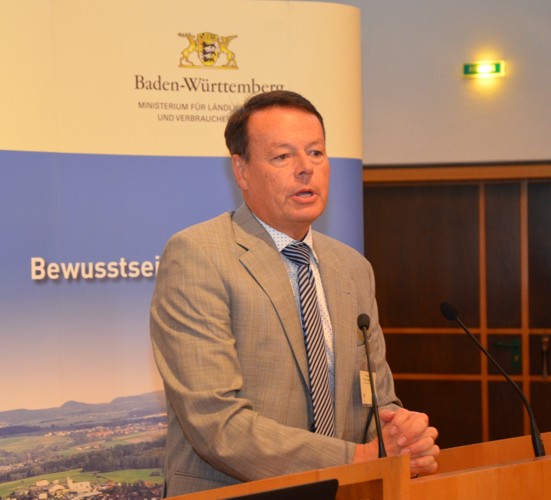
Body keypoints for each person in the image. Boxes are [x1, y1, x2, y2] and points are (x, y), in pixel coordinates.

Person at [150, 90, 439, 496]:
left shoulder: (352, 267)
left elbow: (375, 396)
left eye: (316, 153)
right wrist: (356, 459)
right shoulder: (199, 255)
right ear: (241, 170)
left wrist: (402, 434)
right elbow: (216, 423)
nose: (306, 169)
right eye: (283, 156)